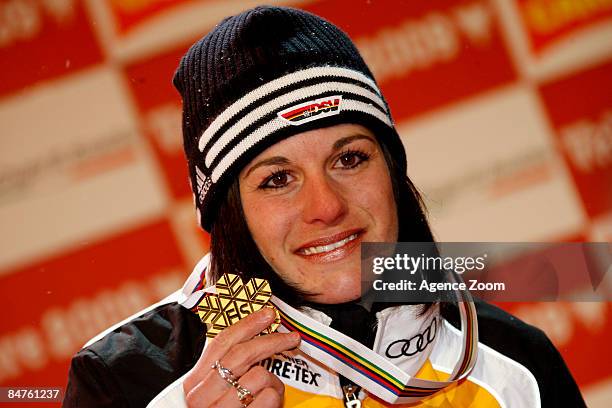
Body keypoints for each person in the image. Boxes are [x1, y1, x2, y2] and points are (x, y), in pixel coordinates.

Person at [63, 6, 586, 408]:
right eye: (278, 179)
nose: (326, 207)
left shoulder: (517, 364)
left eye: (351, 158)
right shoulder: (123, 380)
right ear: (228, 212)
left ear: (393, 171)